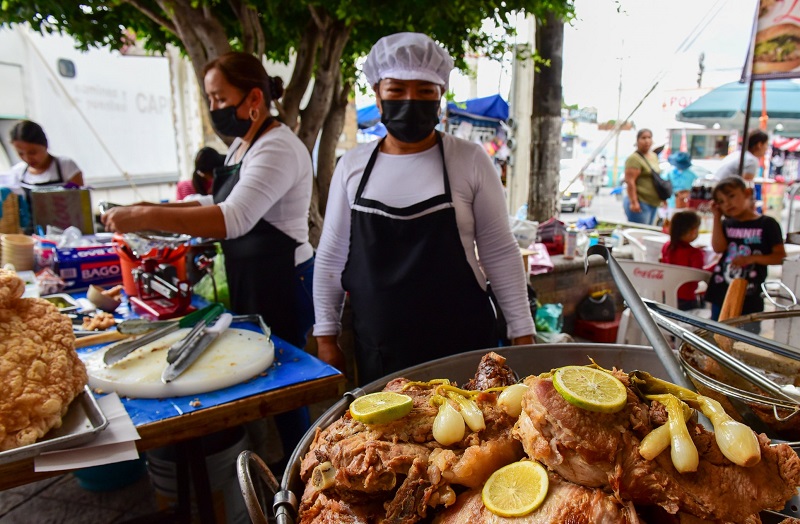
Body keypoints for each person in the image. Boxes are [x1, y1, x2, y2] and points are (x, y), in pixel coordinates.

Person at [312, 32, 535, 386]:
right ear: (378, 95)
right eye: (397, 90)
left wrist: (522, 332)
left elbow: (499, 251)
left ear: (440, 96)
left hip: (463, 346)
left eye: (425, 90)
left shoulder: (470, 160)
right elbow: (331, 256)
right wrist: (326, 336)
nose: (410, 100)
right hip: (381, 351)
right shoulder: (351, 166)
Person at [103, 51, 314, 348]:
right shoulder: (243, 144)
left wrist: (144, 217)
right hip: (253, 274)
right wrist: (145, 208)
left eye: (220, 99)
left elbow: (233, 217)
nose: (213, 108)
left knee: (284, 364)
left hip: (284, 280)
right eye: (210, 100)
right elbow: (214, 201)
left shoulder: (277, 147)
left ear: (254, 98)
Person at [706, 177, 785, 331]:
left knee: (747, 341)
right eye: (721, 201)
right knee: (715, 336)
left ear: (748, 193)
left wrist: (751, 258)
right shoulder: (727, 223)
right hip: (721, 290)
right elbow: (718, 248)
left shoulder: (767, 224)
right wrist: (716, 217)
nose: (727, 204)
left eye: (731, 196)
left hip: (750, 294)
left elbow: (780, 256)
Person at [8, 120, 84, 190]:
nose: (27, 158)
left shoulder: (66, 166)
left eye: (32, 152)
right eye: (20, 153)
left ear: (45, 145)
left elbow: (80, 200)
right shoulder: (17, 172)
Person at [661, 210, 705, 311]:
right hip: (687, 300)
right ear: (693, 231)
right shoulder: (695, 254)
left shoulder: (667, 247)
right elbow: (700, 276)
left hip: (667, 296)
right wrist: (716, 263)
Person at [623, 129, 664, 224]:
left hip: (653, 202)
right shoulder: (634, 158)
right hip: (640, 202)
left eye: (649, 137)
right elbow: (630, 182)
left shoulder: (653, 156)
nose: (647, 141)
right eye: (643, 138)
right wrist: (634, 202)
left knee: (648, 232)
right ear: (637, 140)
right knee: (639, 233)